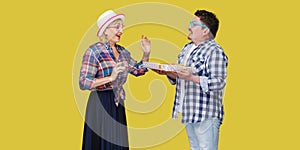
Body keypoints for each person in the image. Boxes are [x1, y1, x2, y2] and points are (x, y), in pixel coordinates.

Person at [153, 10, 228, 150]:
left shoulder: (214, 51)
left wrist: (192, 77)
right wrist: (168, 73)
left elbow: (219, 82)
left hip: (206, 113)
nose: (189, 27)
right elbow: (181, 77)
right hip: (189, 109)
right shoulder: (187, 48)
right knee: (195, 147)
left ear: (205, 31)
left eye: (194, 24)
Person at [79, 10, 151, 150]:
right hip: (100, 103)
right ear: (105, 30)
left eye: (122, 27)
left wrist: (146, 53)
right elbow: (83, 82)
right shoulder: (94, 51)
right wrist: (110, 78)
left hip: (117, 103)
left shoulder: (123, 52)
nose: (121, 30)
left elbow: (138, 70)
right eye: (117, 27)